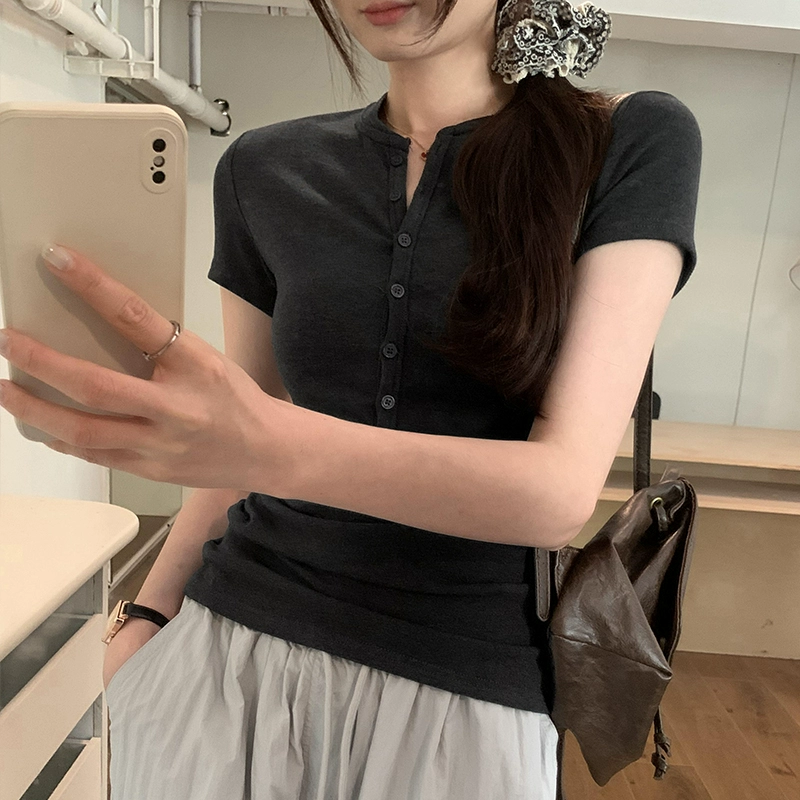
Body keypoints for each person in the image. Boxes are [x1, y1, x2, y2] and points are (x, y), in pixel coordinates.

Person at [98, 0, 699, 798]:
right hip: (226, 654)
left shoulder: (628, 139)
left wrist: (259, 443)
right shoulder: (261, 169)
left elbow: (555, 495)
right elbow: (233, 454)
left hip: (462, 691)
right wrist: (145, 618)